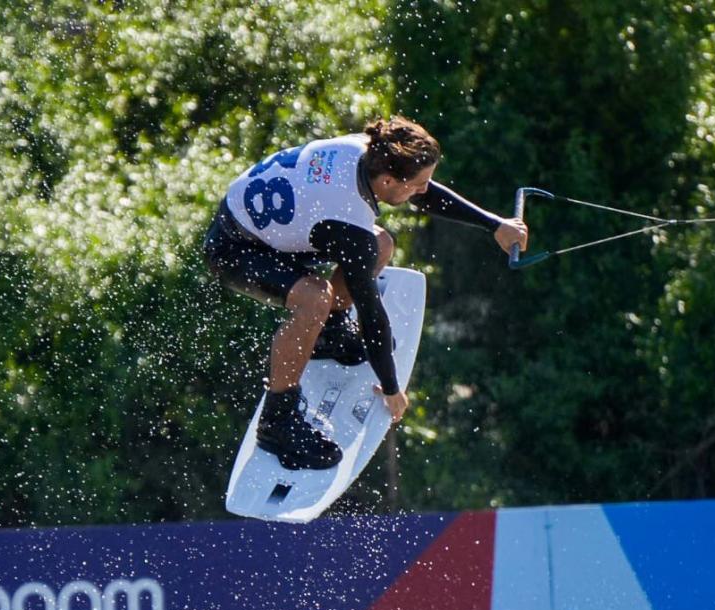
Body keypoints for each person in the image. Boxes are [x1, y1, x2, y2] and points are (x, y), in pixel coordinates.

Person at [203, 116, 528, 469]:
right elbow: (372, 314)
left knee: (381, 242)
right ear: (388, 181)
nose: (424, 189)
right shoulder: (347, 221)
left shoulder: (372, 150)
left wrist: (493, 225)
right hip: (235, 247)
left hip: (282, 227)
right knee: (315, 297)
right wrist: (391, 388)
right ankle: (277, 421)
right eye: (417, 184)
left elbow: (423, 194)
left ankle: (330, 332)